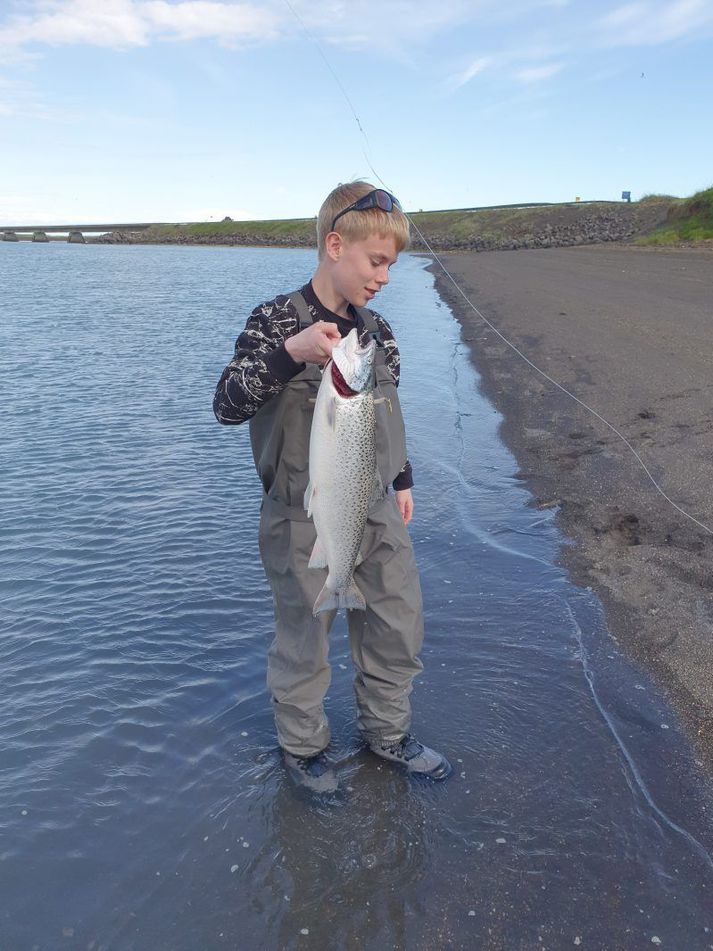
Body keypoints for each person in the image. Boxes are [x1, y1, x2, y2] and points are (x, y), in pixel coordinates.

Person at [213, 181, 451, 792]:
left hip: (375, 507)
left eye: (392, 266)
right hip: (300, 515)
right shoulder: (272, 321)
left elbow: (387, 415)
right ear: (335, 245)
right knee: (303, 637)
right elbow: (226, 404)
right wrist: (291, 352)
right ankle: (303, 749)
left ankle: (388, 734)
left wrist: (402, 480)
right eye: (377, 262)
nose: (385, 277)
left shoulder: (381, 333)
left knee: (398, 621)